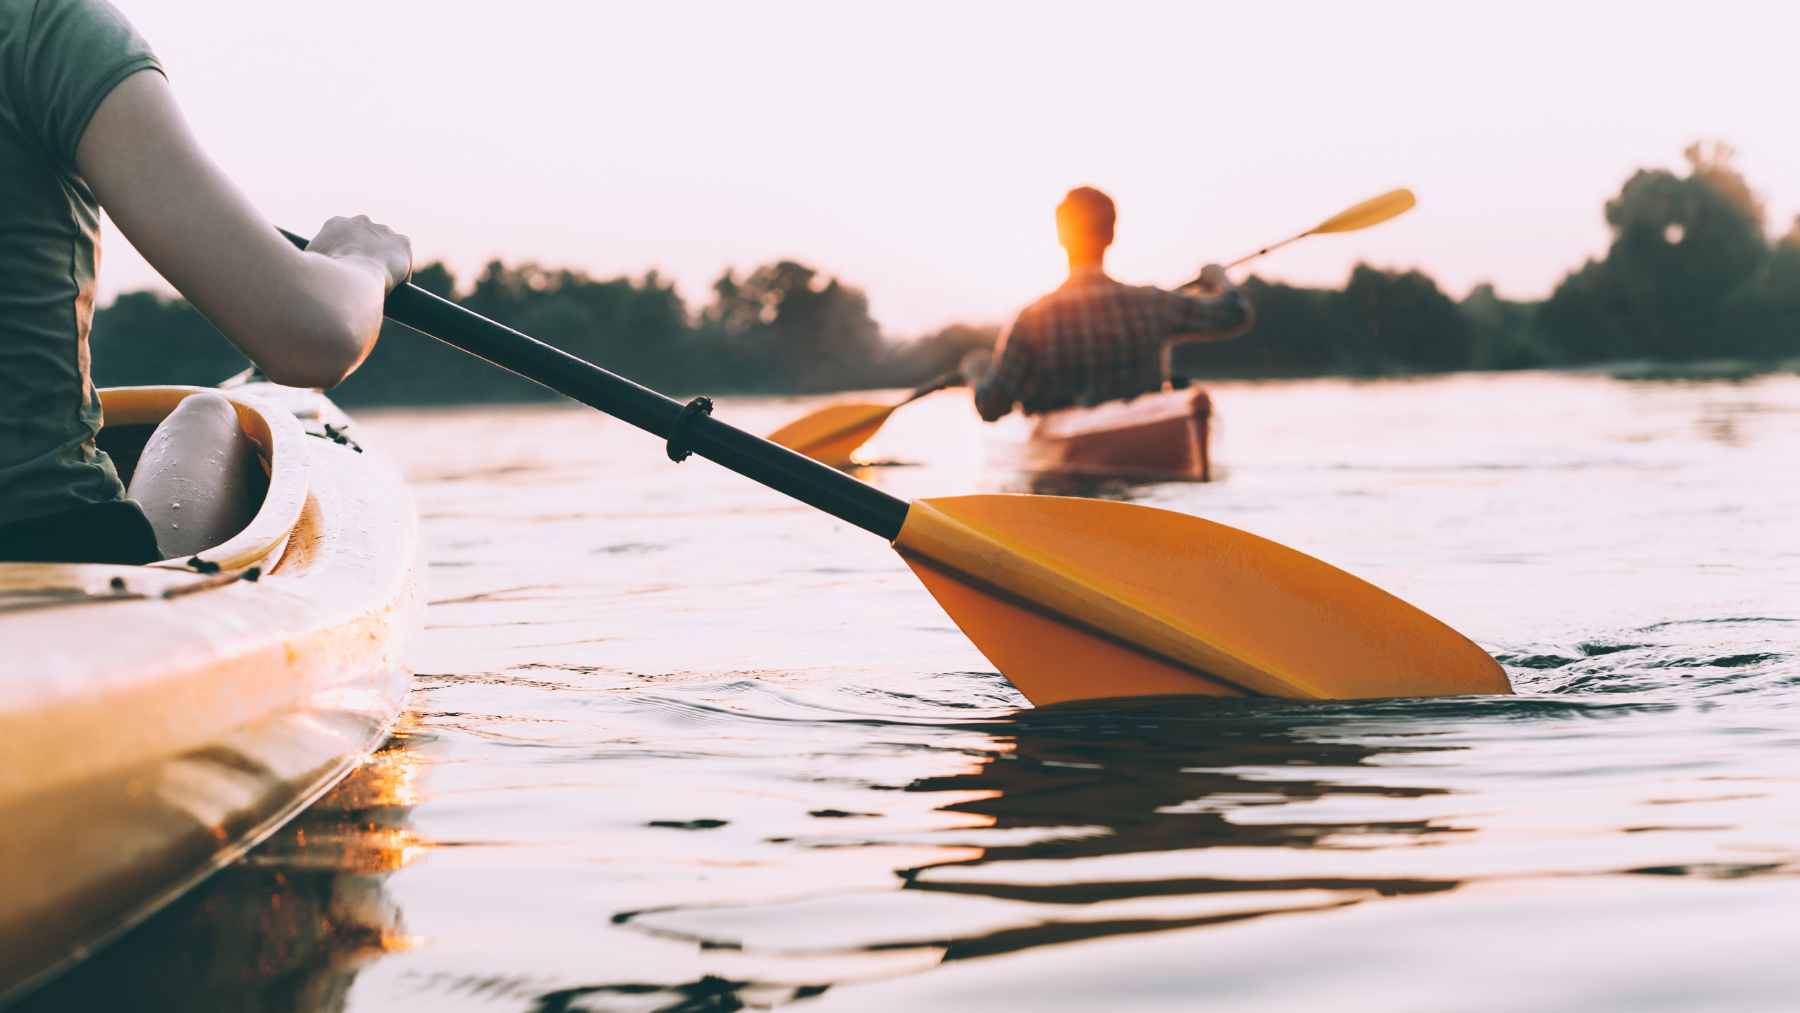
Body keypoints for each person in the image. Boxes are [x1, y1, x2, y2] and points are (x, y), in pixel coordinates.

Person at [0, 0, 412, 565]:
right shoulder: (41, 27)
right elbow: (311, 338)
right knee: (208, 416)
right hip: (48, 547)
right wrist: (362, 261)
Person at [969, 186, 1253, 422]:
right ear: (1111, 234)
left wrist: (976, 372)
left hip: (1062, 462)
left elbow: (992, 406)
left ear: (1060, 237)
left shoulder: (1031, 320)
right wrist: (1219, 279)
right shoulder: (1152, 303)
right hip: (1143, 436)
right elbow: (1234, 313)